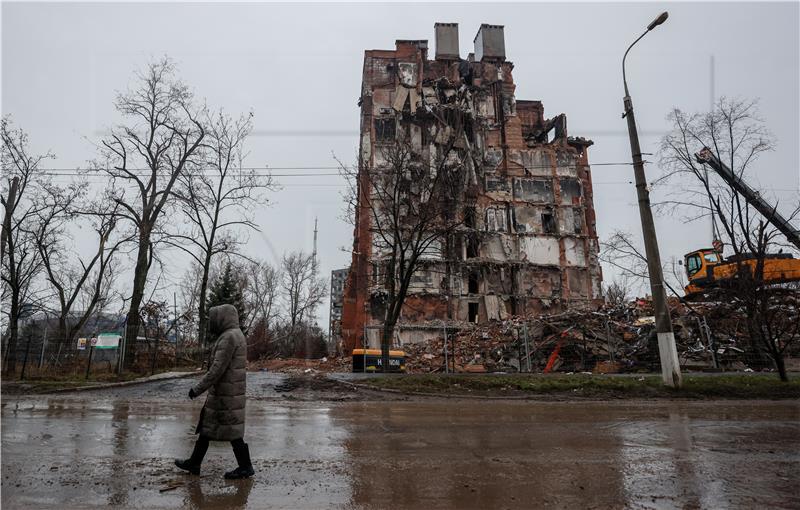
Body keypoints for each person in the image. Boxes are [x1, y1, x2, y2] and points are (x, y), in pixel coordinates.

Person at [175, 304, 254, 479]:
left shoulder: (229, 337)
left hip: (226, 395)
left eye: (215, 318)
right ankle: (194, 463)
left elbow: (217, 369)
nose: (213, 322)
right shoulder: (235, 334)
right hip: (228, 393)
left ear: (222, 318)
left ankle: (246, 467)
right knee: (207, 430)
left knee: (232, 433)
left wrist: (197, 389)